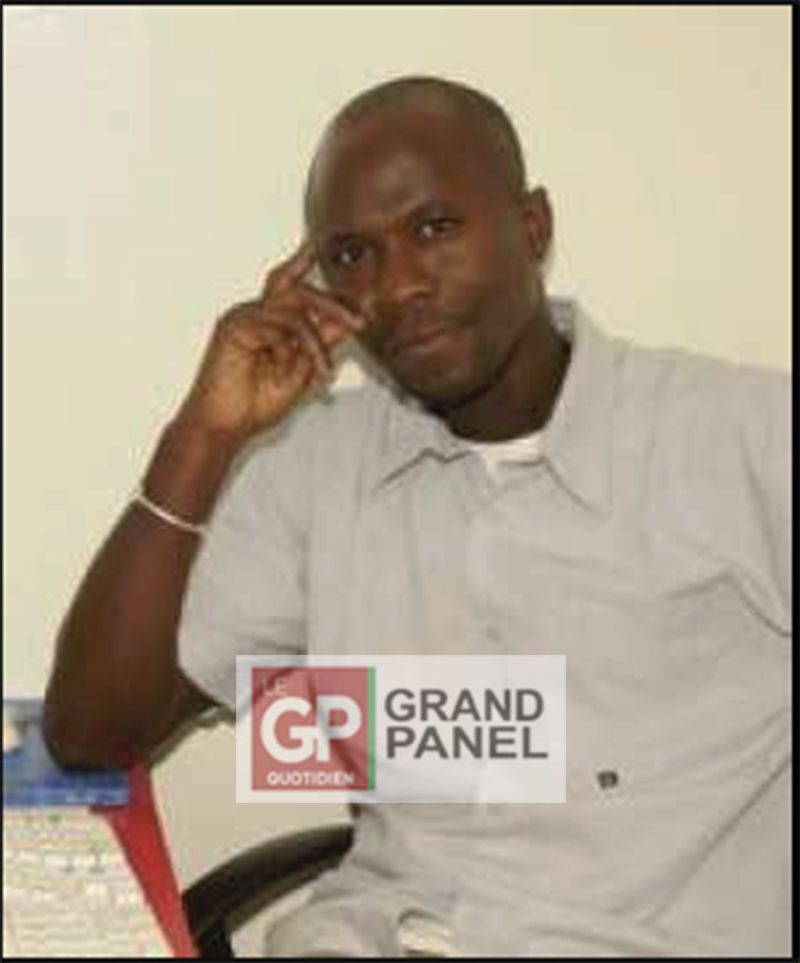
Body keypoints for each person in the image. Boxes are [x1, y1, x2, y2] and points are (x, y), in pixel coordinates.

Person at [43, 76, 791, 957]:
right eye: (353, 254)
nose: (397, 286)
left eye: (434, 228)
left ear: (533, 226)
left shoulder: (746, 438)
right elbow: (92, 734)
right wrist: (202, 438)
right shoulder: (318, 464)